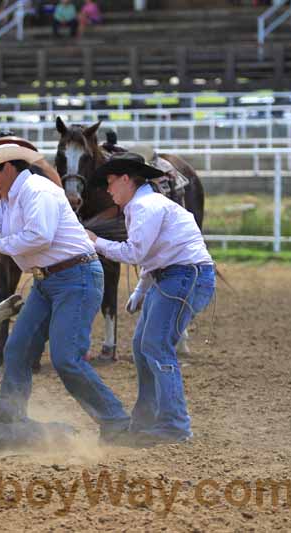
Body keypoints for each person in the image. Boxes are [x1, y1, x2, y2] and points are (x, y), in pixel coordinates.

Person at [0, 143, 132, 443]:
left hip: (76, 277)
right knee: (17, 350)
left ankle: (117, 420)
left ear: (7, 168)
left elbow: (39, 237)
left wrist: (2, 243)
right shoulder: (9, 201)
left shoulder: (37, 191)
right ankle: (11, 419)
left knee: (66, 358)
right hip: (51, 281)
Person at [86, 152, 215, 446]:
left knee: (155, 345)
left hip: (183, 276)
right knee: (144, 345)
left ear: (126, 179)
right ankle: (149, 418)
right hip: (179, 276)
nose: (108, 190)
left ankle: (174, 424)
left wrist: (97, 242)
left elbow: (136, 253)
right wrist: (141, 289)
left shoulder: (144, 207)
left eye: (110, 182)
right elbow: (155, 253)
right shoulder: (144, 206)